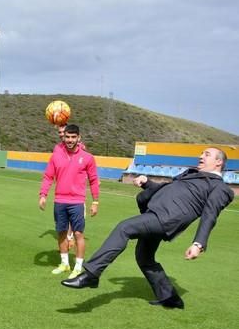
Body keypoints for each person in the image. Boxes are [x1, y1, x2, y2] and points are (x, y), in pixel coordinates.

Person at [61, 147, 235, 309]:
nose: (201, 156)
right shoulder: (191, 173)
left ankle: (91, 274)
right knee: (144, 257)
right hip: (155, 213)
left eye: (207, 154)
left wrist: (198, 244)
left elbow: (210, 215)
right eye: (202, 154)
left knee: (124, 227)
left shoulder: (220, 188)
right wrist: (147, 182)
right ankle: (170, 298)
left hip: (167, 219)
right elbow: (165, 190)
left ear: (219, 162)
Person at [40, 124, 100, 279]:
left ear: (79, 138)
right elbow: (48, 176)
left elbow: (94, 180)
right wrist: (43, 195)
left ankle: (78, 267)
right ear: (63, 137)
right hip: (59, 200)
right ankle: (65, 264)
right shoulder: (56, 155)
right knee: (61, 233)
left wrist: (95, 201)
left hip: (77, 202)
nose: (70, 140)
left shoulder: (87, 157)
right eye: (67, 137)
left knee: (79, 234)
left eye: (74, 137)